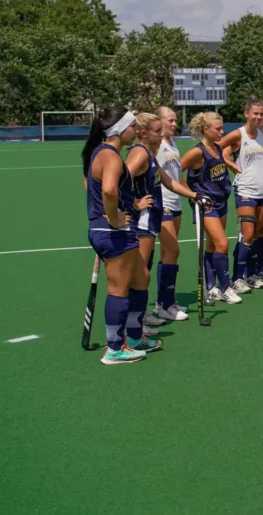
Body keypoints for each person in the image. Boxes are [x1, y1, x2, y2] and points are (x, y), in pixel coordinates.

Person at [82, 107, 159, 365]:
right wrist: (114, 217)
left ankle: (135, 338)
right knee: (118, 288)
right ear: (119, 131)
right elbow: (109, 190)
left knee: (142, 278)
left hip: (115, 229)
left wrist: (130, 207)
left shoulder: (104, 152)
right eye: (131, 127)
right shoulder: (110, 155)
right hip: (111, 230)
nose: (135, 131)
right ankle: (114, 348)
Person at [124, 113, 204, 326]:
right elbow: (119, 180)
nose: (162, 135)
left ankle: (140, 316)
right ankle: (134, 322)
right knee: (139, 272)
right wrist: (135, 203)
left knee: (144, 270)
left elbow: (169, 182)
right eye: (157, 132)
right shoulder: (140, 153)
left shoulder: (150, 154)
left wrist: (194, 195)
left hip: (153, 217)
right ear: (143, 133)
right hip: (142, 220)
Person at [180, 112, 241, 306]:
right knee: (223, 243)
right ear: (206, 129)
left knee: (213, 246)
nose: (222, 132)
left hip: (221, 201)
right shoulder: (197, 152)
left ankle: (211, 287)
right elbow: (174, 171)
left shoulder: (218, 147)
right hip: (207, 205)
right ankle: (225, 288)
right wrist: (192, 195)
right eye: (218, 129)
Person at [220, 96, 263, 292]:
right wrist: (231, 165)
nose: (261, 117)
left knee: (259, 233)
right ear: (247, 114)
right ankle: (237, 277)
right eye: (257, 114)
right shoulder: (238, 134)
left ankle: (253, 274)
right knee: (248, 234)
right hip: (245, 190)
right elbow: (215, 148)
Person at [151, 106, 189, 321]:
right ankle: (166, 303)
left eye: (175, 121)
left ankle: (163, 302)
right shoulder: (156, 145)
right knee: (172, 251)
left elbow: (176, 175)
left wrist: (192, 195)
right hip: (162, 203)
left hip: (176, 203)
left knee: (167, 254)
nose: (174, 124)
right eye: (171, 121)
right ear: (159, 121)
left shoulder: (172, 143)